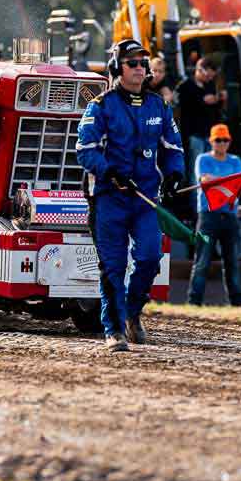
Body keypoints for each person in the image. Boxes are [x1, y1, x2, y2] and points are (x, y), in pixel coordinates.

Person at [77, 39, 184, 352]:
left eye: (143, 63)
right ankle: (113, 329)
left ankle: (132, 314)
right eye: (132, 63)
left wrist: (175, 174)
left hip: (146, 199)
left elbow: (173, 148)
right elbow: (85, 150)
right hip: (109, 198)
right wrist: (109, 171)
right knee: (112, 265)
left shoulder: (158, 106)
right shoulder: (100, 106)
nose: (139, 68)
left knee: (150, 257)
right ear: (116, 68)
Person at [187, 124, 241, 306]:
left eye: (225, 140)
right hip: (208, 216)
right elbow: (204, 180)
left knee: (233, 262)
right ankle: (194, 302)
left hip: (229, 216)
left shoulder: (236, 160)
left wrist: (215, 182)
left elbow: (238, 186)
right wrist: (226, 184)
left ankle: (237, 304)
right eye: (218, 140)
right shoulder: (202, 159)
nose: (222, 143)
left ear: (229, 142)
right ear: (211, 142)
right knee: (202, 260)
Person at [175, 57, 222, 182]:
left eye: (212, 76)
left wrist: (217, 99)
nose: (210, 78)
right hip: (194, 135)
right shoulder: (185, 86)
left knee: (210, 170)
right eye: (208, 76)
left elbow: (215, 106)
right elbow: (184, 107)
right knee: (196, 171)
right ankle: (195, 200)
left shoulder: (210, 85)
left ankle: (207, 200)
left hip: (209, 134)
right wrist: (204, 100)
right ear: (200, 70)